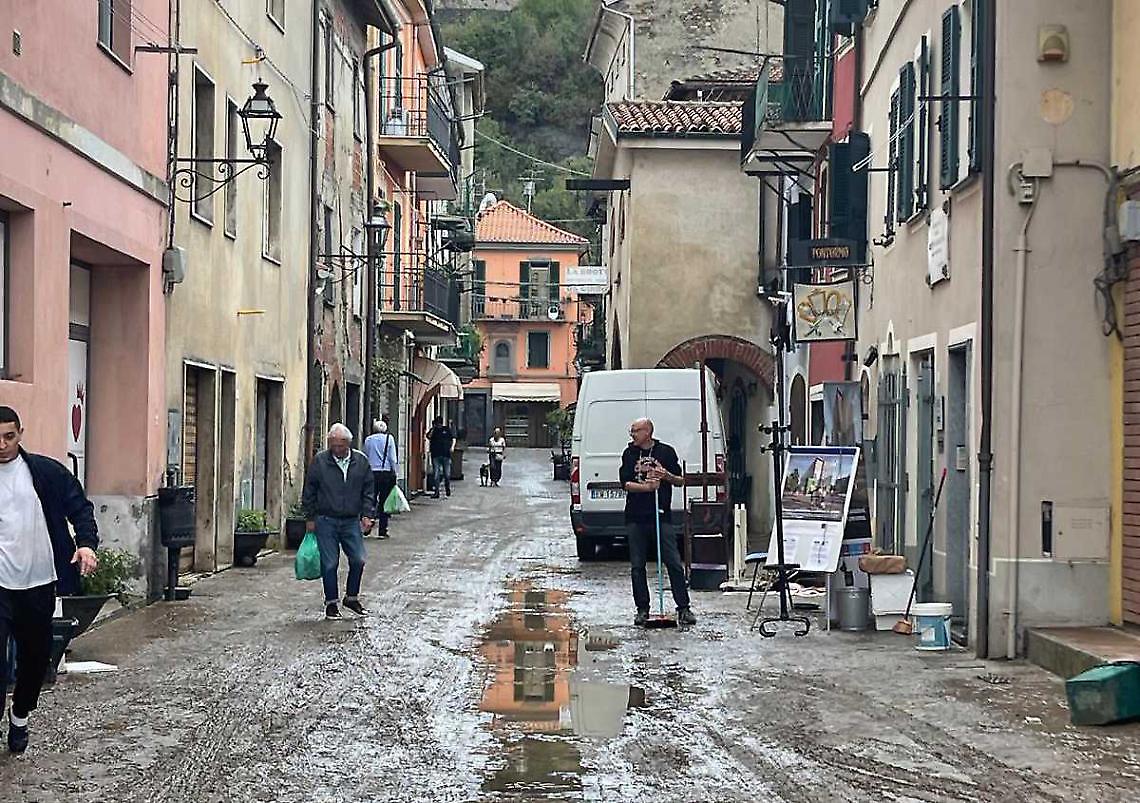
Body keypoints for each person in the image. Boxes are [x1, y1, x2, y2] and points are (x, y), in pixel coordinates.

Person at [0, 406, 99, 754]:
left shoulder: (44, 473)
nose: (1, 444)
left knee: (35, 657)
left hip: (38, 582)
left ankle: (21, 714)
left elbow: (80, 508)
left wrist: (86, 545)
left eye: (8, 437)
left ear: (20, 434)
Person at [619, 417, 696, 627]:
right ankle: (642, 609)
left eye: (635, 430)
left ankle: (683, 608)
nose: (632, 434)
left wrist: (666, 475)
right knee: (637, 565)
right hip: (636, 516)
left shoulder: (666, 452)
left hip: (661, 515)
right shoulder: (629, 454)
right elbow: (625, 483)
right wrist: (647, 488)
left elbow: (681, 481)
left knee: (672, 562)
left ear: (647, 432)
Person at [302, 423, 375, 620]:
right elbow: (309, 490)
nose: (337, 450)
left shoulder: (361, 462)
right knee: (329, 563)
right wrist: (309, 517)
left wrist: (368, 514)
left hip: (351, 520)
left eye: (341, 446)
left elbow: (368, 491)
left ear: (348, 444)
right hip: (326, 520)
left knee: (359, 559)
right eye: (333, 445)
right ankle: (331, 603)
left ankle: (351, 597)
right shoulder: (320, 462)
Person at [363, 420, 399, 539]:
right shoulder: (389, 439)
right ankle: (382, 530)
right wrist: (395, 472)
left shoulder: (368, 440)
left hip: (371, 473)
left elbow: (365, 455)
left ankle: (368, 522)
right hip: (386, 473)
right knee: (384, 501)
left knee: (370, 499)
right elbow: (392, 458)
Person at [426, 416, 454, 499]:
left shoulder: (446, 429)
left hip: (444, 455)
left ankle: (446, 489)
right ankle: (438, 492)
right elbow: (428, 436)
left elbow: (452, 438)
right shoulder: (434, 431)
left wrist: (451, 447)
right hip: (437, 455)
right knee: (437, 474)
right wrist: (433, 428)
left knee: (445, 474)